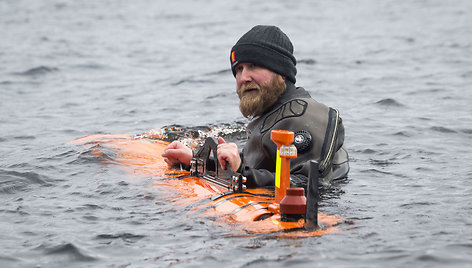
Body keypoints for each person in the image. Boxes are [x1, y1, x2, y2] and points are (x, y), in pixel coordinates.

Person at [162, 25, 349, 188]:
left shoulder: (306, 116)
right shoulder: (271, 116)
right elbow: (258, 168)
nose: (244, 77)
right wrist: (197, 160)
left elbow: (308, 184)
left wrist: (241, 171)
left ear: (281, 72)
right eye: (239, 69)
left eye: (254, 66)